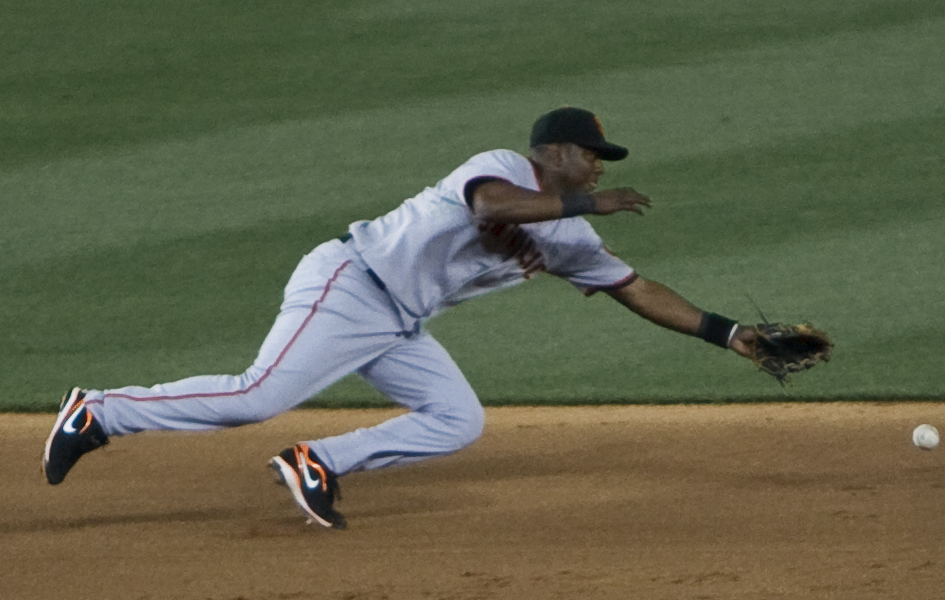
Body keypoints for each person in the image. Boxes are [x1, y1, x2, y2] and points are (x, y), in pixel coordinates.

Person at [42, 107, 758, 529]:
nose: (600, 167)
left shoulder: (571, 235)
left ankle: (317, 460)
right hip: (351, 282)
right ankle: (98, 413)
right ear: (554, 153)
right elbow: (490, 207)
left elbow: (635, 288)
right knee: (256, 395)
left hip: (397, 322)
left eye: (604, 162)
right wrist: (586, 204)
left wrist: (728, 333)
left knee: (457, 418)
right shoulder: (501, 163)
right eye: (593, 156)